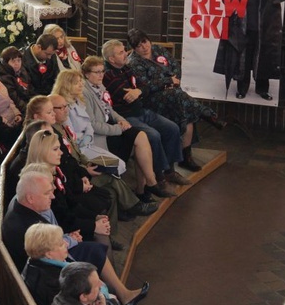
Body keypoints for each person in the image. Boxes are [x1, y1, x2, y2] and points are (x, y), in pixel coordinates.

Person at [2, 172, 147, 305]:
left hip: (52, 258)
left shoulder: (25, 206)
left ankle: (121, 293)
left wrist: (67, 239)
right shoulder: (23, 226)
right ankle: (111, 296)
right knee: (94, 253)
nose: (52, 196)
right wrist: (69, 241)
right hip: (50, 269)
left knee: (94, 249)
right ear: (30, 198)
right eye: (47, 193)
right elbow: (43, 257)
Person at [127, 29, 224, 171]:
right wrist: (167, 81)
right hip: (151, 98)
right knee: (180, 99)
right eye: (139, 46)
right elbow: (146, 85)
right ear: (134, 48)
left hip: (172, 92)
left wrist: (173, 81)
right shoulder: (134, 62)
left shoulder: (158, 49)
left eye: (145, 42)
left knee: (184, 108)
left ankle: (186, 156)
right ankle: (208, 115)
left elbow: (175, 66)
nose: (144, 47)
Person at [79, 57, 173, 201]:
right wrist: (118, 128)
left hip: (112, 126)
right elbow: (93, 126)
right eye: (96, 72)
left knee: (141, 137)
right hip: (101, 137)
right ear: (86, 74)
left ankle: (147, 186)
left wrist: (121, 119)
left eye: (102, 71)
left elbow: (109, 109)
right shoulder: (85, 92)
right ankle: (149, 185)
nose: (101, 75)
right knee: (139, 140)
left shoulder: (99, 86)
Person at [102, 40, 188, 187]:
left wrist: (139, 91)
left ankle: (170, 172)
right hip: (125, 116)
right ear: (111, 59)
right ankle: (159, 176)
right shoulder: (108, 75)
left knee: (172, 128)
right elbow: (128, 97)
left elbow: (142, 88)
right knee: (153, 135)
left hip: (141, 110)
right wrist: (139, 91)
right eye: (121, 52)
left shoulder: (126, 68)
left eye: (124, 50)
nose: (126, 54)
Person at [0, 46, 32, 114]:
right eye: (13, 61)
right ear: (6, 63)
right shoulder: (3, 77)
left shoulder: (22, 71)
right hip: (14, 110)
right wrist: (31, 111)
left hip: (26, 104)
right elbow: (15, 100)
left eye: (19, 60)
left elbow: (30, 90)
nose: (17, 64)